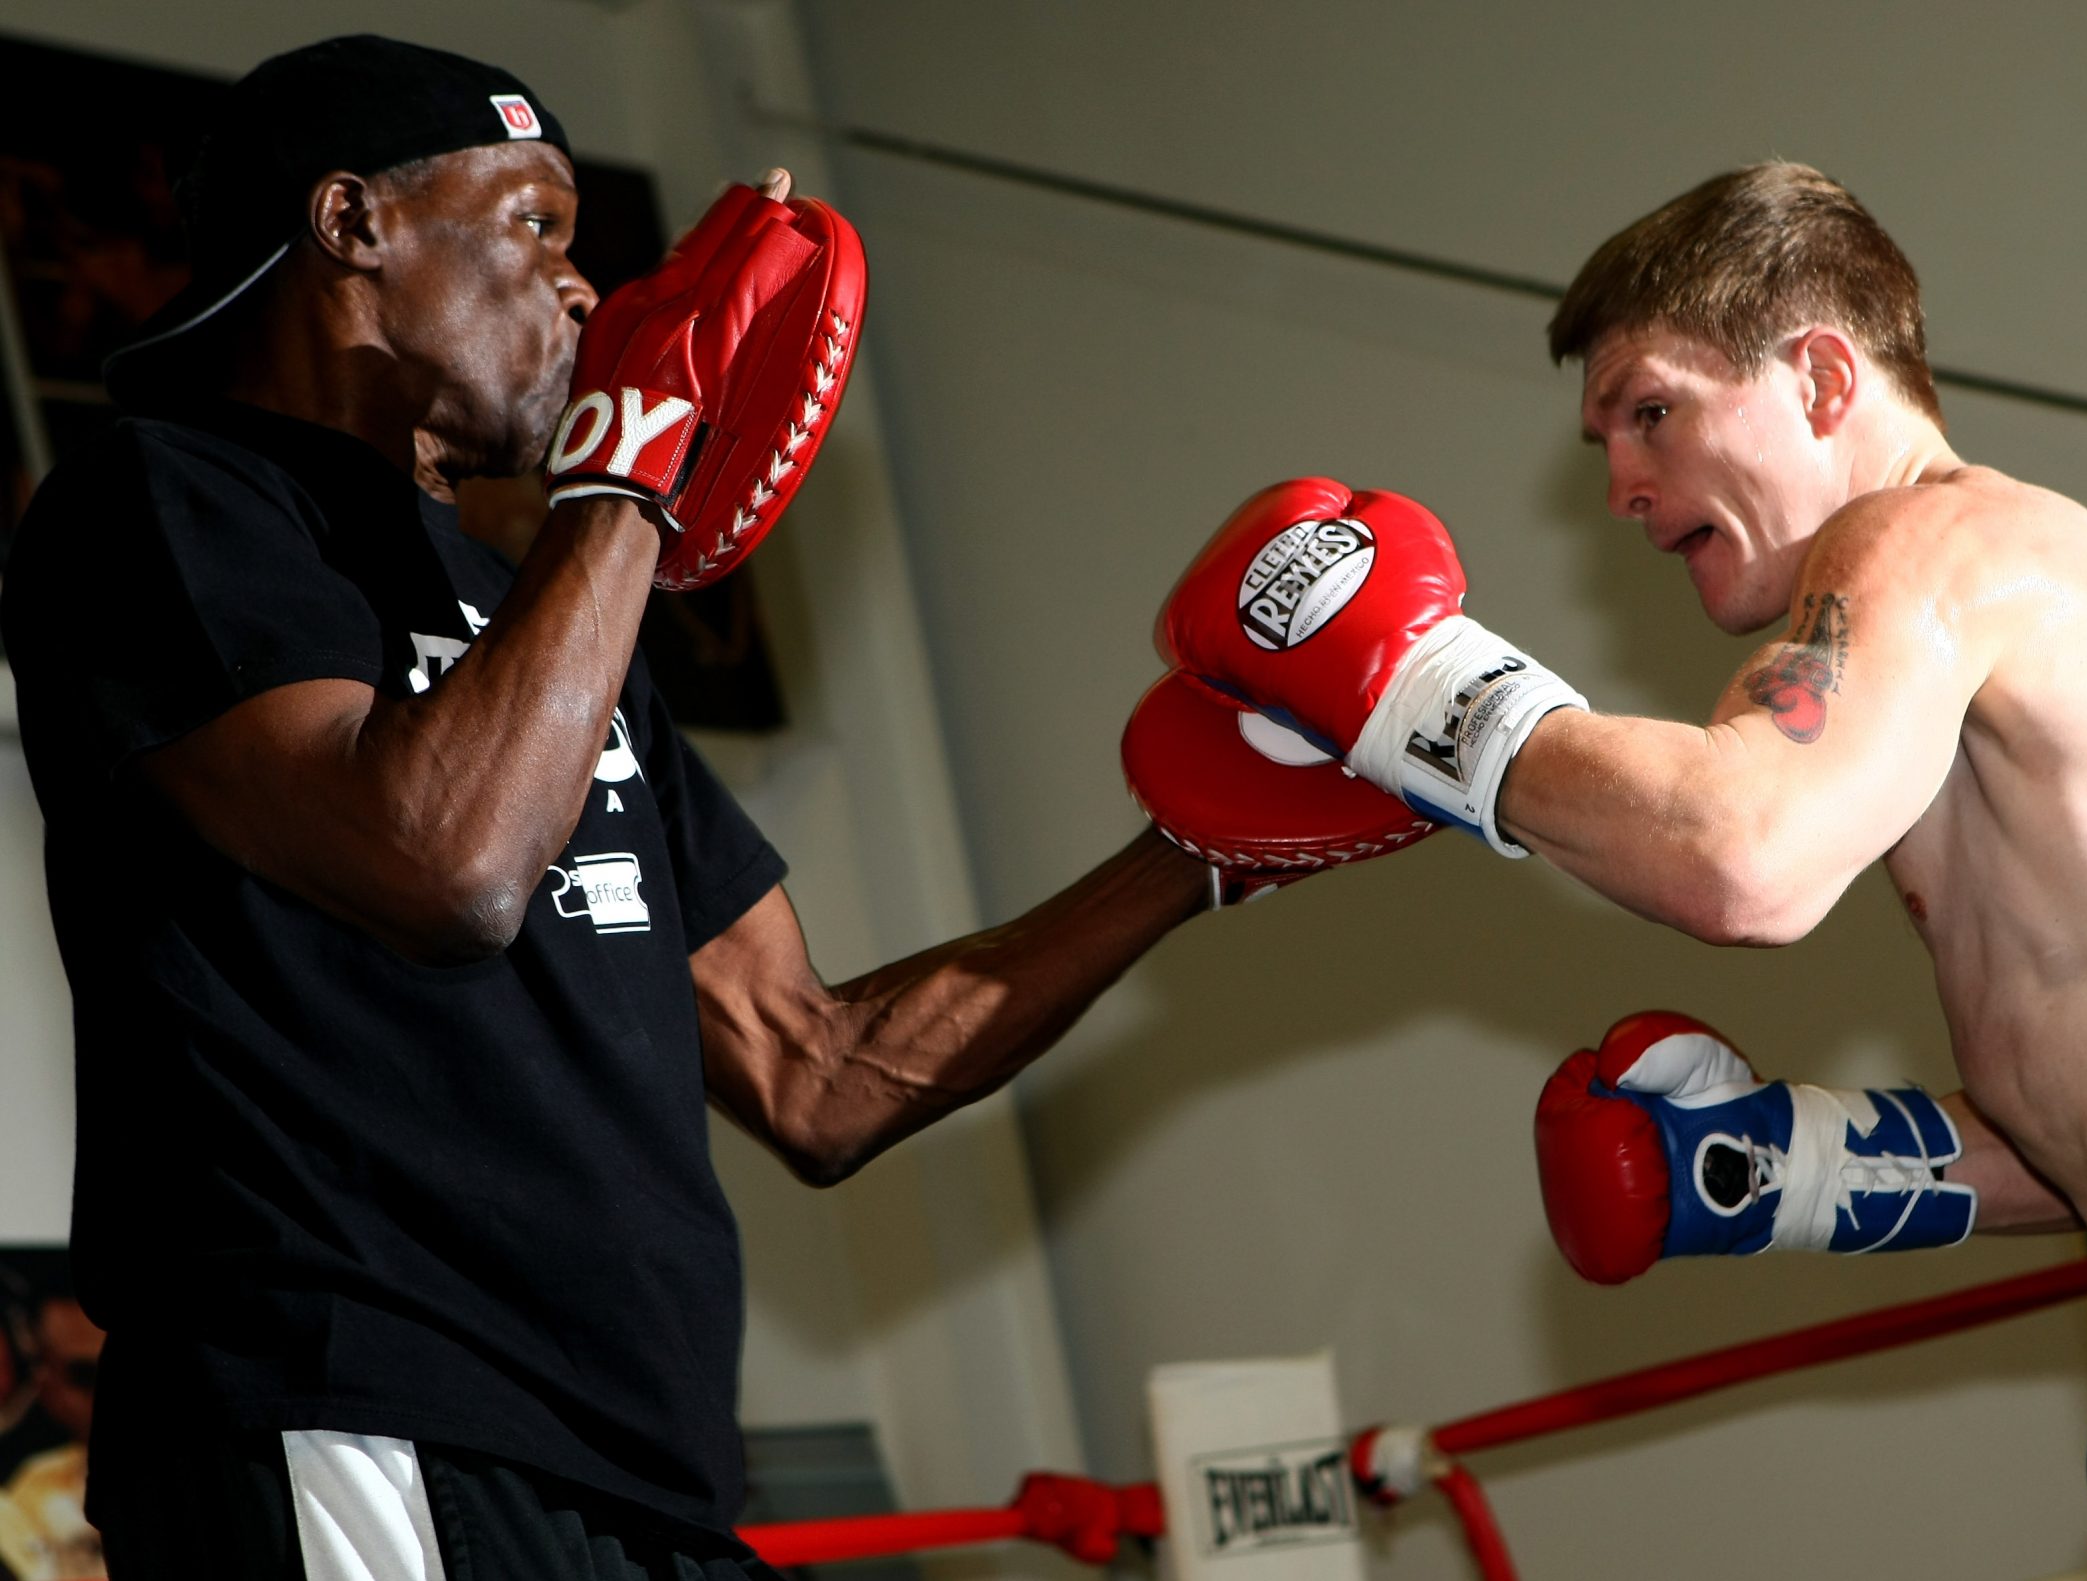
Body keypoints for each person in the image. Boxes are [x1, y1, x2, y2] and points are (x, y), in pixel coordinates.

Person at [2, 34, 1411, 1581]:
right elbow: (445, 861)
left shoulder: (543, 607)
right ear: (355, 225)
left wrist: (1194, 853)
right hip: (361, 1421)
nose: (585, 289)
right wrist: (623, 474)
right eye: (534, 222)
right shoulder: (162, 505)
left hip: (639, 1470)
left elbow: (819, 1070)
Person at [1151, 163, 2087, 1576]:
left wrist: (1412, 691)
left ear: (1823, 375)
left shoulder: (1929, 544)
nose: (1625, 488)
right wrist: (1783, 1165)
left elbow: (1742, 855)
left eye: (1653, 411)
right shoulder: (1975, 647)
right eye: (1603, 446)